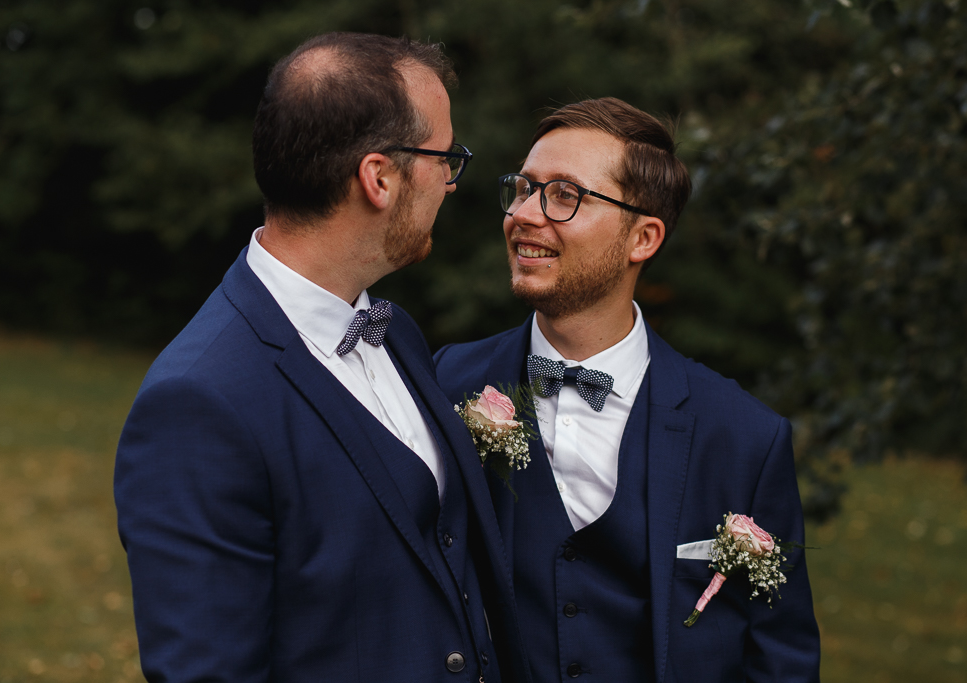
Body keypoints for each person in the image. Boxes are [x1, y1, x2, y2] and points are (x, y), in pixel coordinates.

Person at [114, 33, 529, 683]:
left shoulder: (399, 334)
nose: (451, 182)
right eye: (445, 158)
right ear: (380, 178)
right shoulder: (198, 402)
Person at [434, 97, 821, 682]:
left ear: (643, 238)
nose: (524, 214)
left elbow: (780, 661)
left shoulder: (744, 438)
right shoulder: (444, 385)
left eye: (565, 194)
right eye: (522, 188)